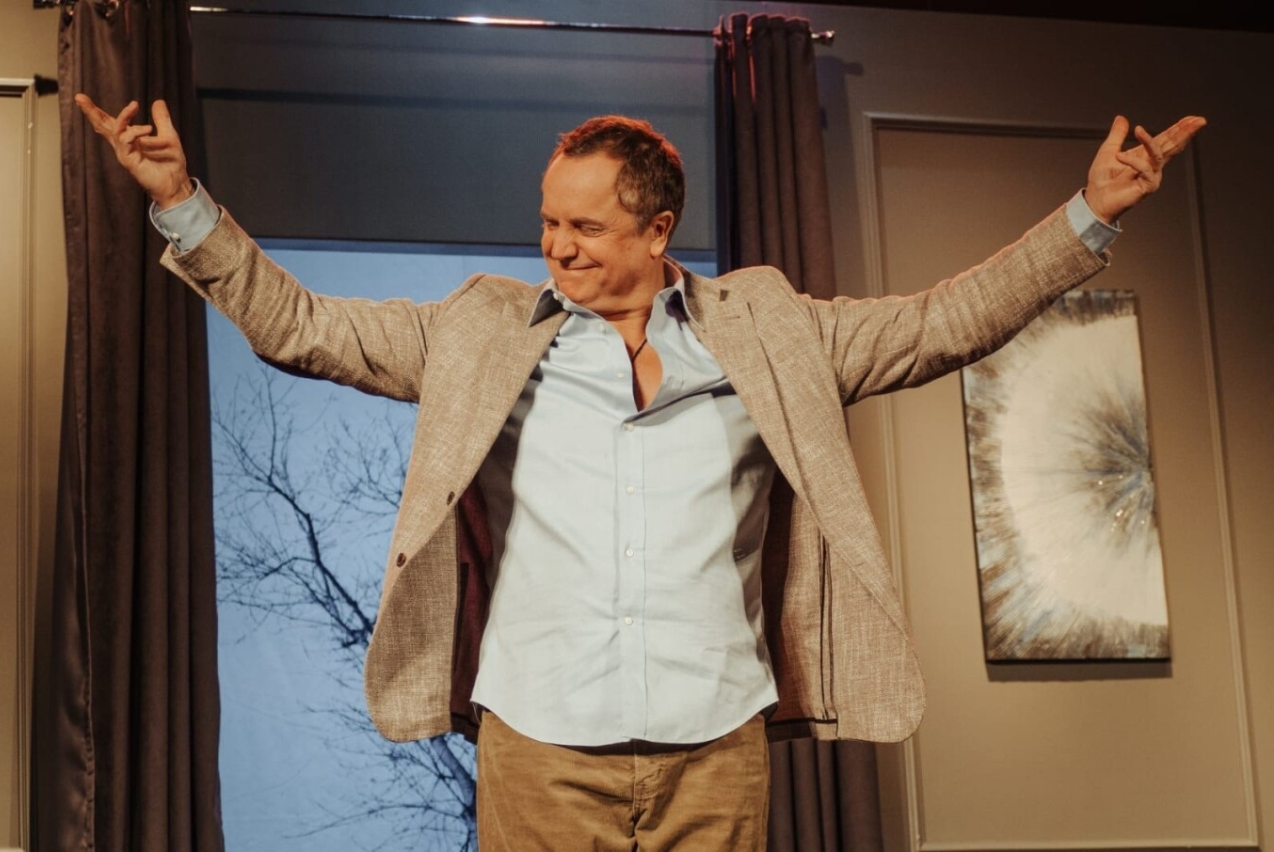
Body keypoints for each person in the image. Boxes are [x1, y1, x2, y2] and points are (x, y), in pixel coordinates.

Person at [76, 93, 1203, 850]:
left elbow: (941, 322)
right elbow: (299, 326)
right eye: (547, 223)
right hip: (539, 742)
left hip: (715, 746)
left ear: (657, 231)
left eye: (585, 228)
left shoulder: (768, 329)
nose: (557, 247)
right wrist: (180, 202)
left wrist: (1087, 218)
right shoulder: (479, 333)